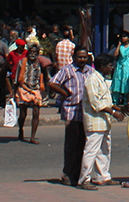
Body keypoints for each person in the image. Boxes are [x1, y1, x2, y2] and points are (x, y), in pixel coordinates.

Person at [49, 45, 90, 186]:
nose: (82, 59)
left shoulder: (90, 71)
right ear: (74, 57)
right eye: (79, 57)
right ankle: (67, 174)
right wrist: (65, 93)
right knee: (71, 145)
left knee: (82, 145)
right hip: (72, 112)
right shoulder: (68, 70)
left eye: (84, 57)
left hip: (86, 113)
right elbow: (53, 83)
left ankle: (78, 173)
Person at [80, 53, 116, 189]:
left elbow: (105, 100)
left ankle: (102, 176)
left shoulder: (102, 79)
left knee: (104, 150)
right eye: (109, 66)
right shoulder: (92, 79)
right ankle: (84, 179)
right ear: (102, 66)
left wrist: (117, 108)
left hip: (104, 121)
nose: (111, 68)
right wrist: (113, 112)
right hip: (95, 121)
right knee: (91, 151)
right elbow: (96, 103)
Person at [13, 40, 45, 143]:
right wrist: (13, 93)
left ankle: (32, 137)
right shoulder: (22, 62)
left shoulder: (39, 63)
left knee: (36, 112)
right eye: (31, 52)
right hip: (23, 90)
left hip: (35, 90)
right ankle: (20, 130)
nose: (33, 54)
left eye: (35, 52)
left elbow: (42, 75)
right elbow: (17, 79)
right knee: (23, 114)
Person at [110, 32, 129, 104]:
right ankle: (115, 101)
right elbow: (115, 54)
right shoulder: (121, 46)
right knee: (117, 82)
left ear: (128, 38)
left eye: (125, 37)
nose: (123, 38)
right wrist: (119, 44)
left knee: (127, 83)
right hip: (120, 66)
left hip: (128, 67)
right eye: (122, 37)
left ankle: (126, 101)